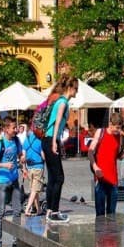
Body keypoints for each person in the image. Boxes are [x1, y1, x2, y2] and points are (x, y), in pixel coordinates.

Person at [42, 76, 78, 223]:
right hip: (51, 139)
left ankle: (50, 211)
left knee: (52, 177)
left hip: (48, 139)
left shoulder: (60, 101)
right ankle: (54, 211)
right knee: (59, 177)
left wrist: (55, 141)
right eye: (76, 88)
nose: (77, 91)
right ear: (71, 88)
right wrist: (55, 142)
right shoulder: (62, 102)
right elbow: (57, 122)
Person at [0, 118, 23, 247]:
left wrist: (23, 160)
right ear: (6, 129)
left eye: (16, 127)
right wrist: (4, 165)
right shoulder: (0, 144)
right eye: (13, 128)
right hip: (2, 181)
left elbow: (20, 154)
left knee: (17, 211)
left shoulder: (16, 141)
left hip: (14, 180)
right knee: (1, 213)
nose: (16, 130)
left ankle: (16, 241)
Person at [88, 112, 124, 216]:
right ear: (110, 124)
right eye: (116, 128)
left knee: (111, 213)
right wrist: (95, 167)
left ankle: (111, 232)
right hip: (101, 178)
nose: (118, 130)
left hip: (113, 179)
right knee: (100, 213)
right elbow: (90, 152)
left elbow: (118, 156)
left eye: (119, 128)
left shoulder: (120, 136)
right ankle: (99, 232)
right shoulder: (100, 132)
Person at [21, 122, 46, 216]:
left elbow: (23, 156)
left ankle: (38, 209)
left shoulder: (26, 140)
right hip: (38, 167)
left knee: (33, 189)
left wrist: (24, 169)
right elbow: (43, 156)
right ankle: (27, 209)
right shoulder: (40, 140)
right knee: (34, 190)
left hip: (29, 167)